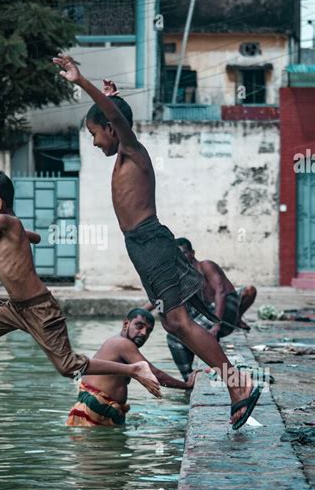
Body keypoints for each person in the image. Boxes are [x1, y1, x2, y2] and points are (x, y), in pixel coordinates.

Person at [52, 56, 260, 431]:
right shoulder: (122, 156)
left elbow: (117, 120)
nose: (96, 142)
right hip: (142, 248)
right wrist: (112, 101)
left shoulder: (133, 150)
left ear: (112, 130)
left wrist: (83, 81)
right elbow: (116, 118)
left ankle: (237, 385)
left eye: (95, 134)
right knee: (174, 324)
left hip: (151, 241)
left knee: (179, 321)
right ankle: (236, 384)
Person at [0, 172, 160, 407]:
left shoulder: (6, 221)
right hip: (15, 308)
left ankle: (134, 369)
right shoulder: (10, 226)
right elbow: (35, 237)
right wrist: (27, 236)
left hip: (39, 308)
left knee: (68, 367)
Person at [67, 307, 198, 427]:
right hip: (96, 407)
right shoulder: (122, 343)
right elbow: (153, 373)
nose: (143, 333)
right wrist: (185, 385)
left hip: (96, 407)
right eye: (139, 326)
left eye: (148, 330)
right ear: (126, 324)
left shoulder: (119, 342)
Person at [159, 238, 256, 380]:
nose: (180, 258)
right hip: (208, 313)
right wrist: (144, 309)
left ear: (192, 253)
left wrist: (217, 324)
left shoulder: (205, 266)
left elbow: (221, 291)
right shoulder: (183, 274)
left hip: (224, 312)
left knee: (176, 337)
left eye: (184, 253)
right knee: (178, 333)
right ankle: (189, 377)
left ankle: (188, 379)